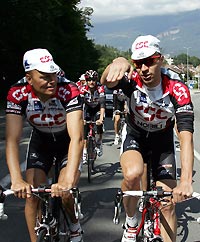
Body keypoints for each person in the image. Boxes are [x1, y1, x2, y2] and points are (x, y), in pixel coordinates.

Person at [101, 35, 194, 242]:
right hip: (136, 135)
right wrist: (117, 62)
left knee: (168, 204)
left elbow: (186, 137)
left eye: (149, 61)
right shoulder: (132, 80)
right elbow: (106, 80)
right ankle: (131, 222)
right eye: (138, 63)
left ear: (160, 59)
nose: (144, 68)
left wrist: (186, 181)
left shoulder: (177, 89)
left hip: (162, 141)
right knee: (133, 175)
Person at [5, 48, 84, 242]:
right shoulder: (17, 93)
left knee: (66, 192)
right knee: (32, 194)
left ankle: (74, 225)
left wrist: (68, 182)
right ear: (29, 78)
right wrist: (16, 179)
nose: (52, 80)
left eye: (53, 74)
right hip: (41, 142)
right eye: (44, 76)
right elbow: (12, 140)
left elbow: (78, 138)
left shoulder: (69, 89)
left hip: (67, 142)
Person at [80, 70, 105, 163]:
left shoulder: (100, 89)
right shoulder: (83, 89)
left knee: (99, 124)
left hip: (97, 108)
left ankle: (99, 142)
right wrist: (81, 119)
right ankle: (85, 150)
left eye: (93, 80)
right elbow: (81, 106)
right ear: (86, 81)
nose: (91, 82)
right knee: (85, 127)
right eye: (89, 80)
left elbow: (102, 104)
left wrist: (101, 118)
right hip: (87, 109)